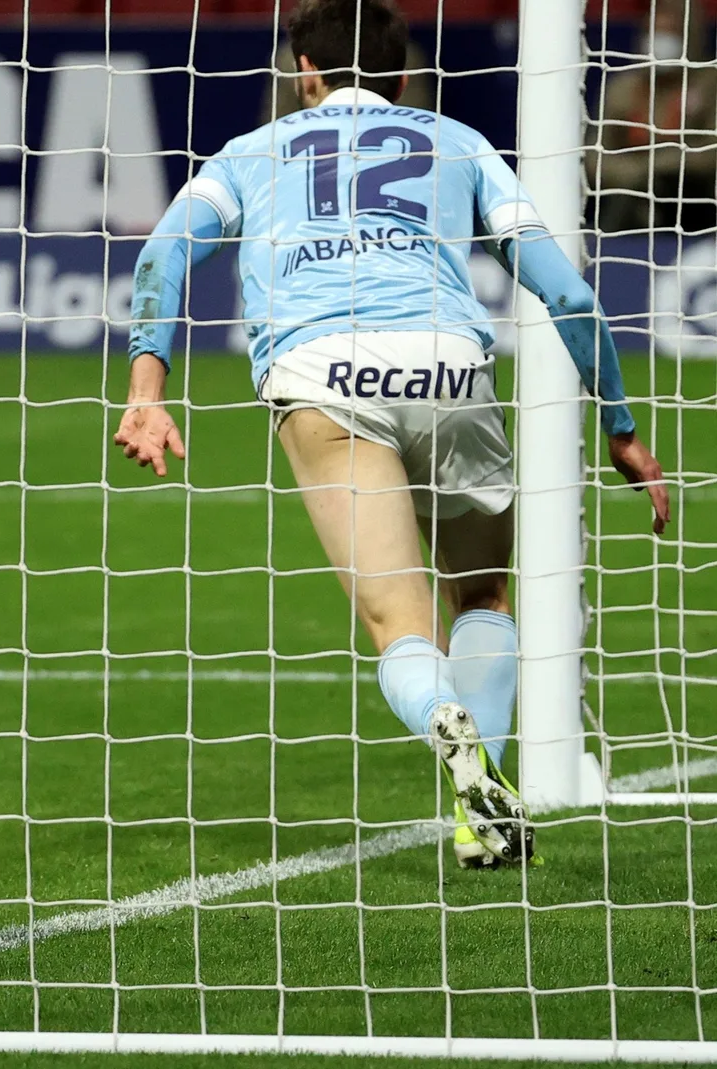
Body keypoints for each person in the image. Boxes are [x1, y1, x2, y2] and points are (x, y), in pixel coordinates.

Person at [116, 0, 671, 869]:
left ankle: (445, 728)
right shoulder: (459, 142)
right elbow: (566, 293)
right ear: (404, 75)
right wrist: (622, 427)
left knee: (398, 625)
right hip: (448, 363)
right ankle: (479, 809)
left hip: (322, 372)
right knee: (483, 598)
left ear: (305, 73)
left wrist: (148, 389)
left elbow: (162, 256)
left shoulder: (251, 155)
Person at [587, 2, 717, 235]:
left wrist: (655, 167)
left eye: (669, 32)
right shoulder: (623, 88)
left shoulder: (710, 84)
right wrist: (634, 175)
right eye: (654, 31)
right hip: (626, 191)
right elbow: (595, 155)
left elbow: (711, 153)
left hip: (692, 197)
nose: (660, 39)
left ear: (689, 35)